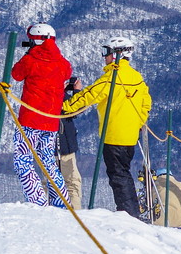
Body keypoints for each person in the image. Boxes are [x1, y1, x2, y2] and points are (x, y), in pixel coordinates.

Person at [63, 35, 151, 216]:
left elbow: (89, 96)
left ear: (117, 54)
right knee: (124, 173)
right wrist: (137, 124)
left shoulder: (110, 78)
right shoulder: (137, 78)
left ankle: (128, 213)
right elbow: (146, 105)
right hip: (130, 137)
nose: (104, 56)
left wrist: (64, 106)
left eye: (106, 52)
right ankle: (130, 210)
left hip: (112, 135)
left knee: (117, 176)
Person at [9, 23, 72, 207]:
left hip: (30, 120)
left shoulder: (30, 60)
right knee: (48, 162)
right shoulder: (61, 62)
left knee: (23, 160)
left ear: (36, 39)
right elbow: (68, 72)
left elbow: (16, 74)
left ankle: (37, 201)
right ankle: (61, 201)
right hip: (51, 122)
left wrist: (28, 54)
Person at [58, 76, 85, 209]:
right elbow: (76, 108)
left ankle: (46, 211)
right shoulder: (59, 97)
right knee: (72, 182)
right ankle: (75, 212)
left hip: (46, 146)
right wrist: (77, 92)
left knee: (49, 181)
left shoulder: (43, 93)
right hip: (64, 147)